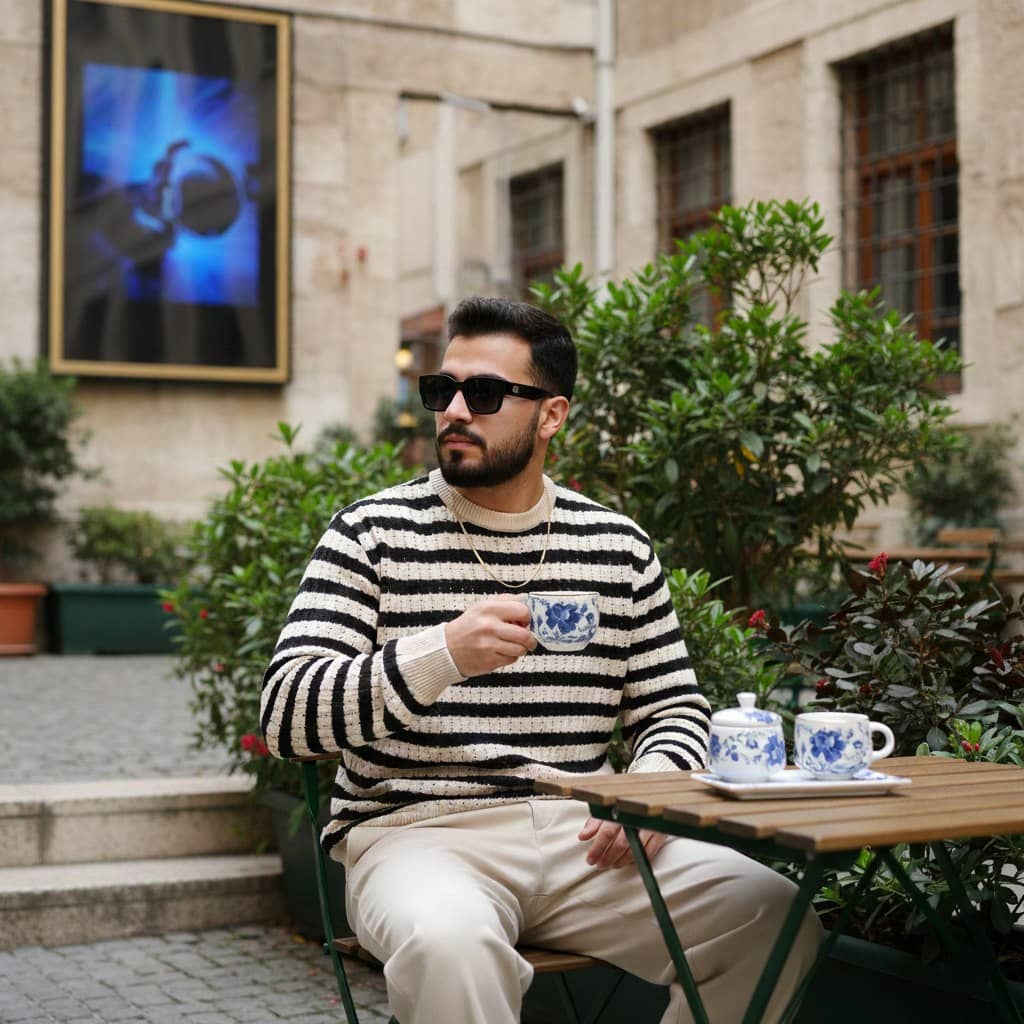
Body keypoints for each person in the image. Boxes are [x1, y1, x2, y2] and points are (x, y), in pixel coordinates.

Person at [261, 297, 822, 1024]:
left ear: (551, 415)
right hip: (417, 836)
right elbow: (286, 717)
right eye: (442, 389)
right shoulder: (370, 534)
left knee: (773, 914)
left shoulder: (617, 547)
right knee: (450, 946)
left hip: (586, 838)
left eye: (484, 393)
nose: (453, 410)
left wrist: (648, 790)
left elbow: (675, 709)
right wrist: (440, 655)